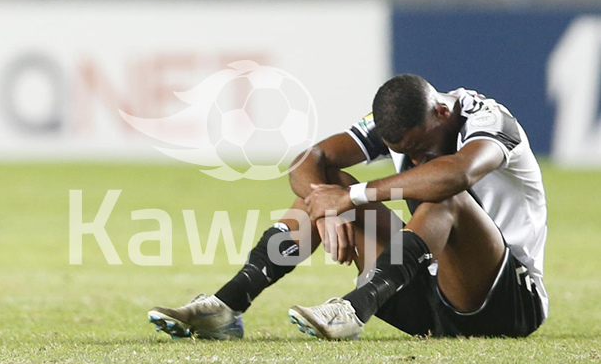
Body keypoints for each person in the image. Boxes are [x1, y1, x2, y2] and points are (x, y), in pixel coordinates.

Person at [148, 74, 548, 340]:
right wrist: (327, 206)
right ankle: (228, 306)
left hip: (506, 302)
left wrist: (354, 198)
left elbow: (456, 174)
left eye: (422, 147)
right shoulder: (401, 123)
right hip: (423, 294)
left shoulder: (490, 121)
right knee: (324, 185)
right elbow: (310, 158)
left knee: (443, 196)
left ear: (442, 112)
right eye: (406, 152)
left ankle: (353, 311)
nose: (418, 158)